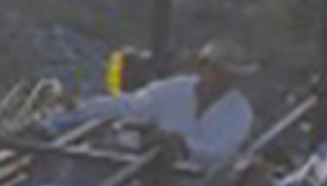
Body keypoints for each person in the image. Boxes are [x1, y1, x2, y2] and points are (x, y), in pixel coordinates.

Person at [69, 39, 257, 167]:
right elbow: (130, 105)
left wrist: (180, 144)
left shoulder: (240, 112)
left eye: (228, 74)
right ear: (202, 67)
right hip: (148, 169)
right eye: (217, 69)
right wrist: (79, 106)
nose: (221, 77)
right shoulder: (174, 89)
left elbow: (219, 153)